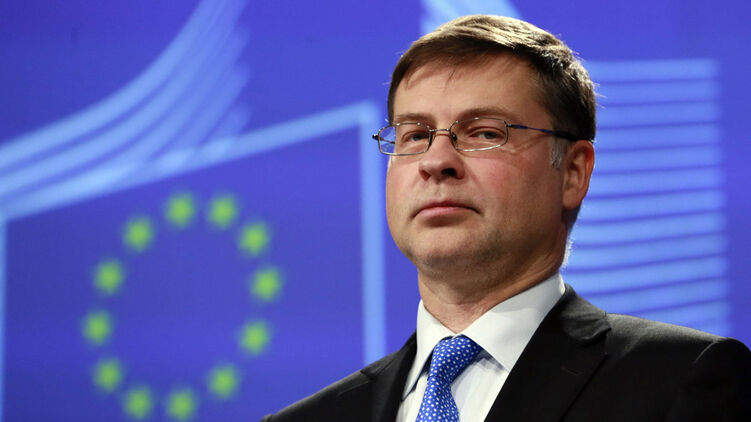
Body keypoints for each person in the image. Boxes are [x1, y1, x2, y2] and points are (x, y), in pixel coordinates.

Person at [262, 14, 751, 422]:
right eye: (415, 135)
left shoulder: (679, 380)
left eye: (485, 132)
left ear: (573, 173)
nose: (436, 160)